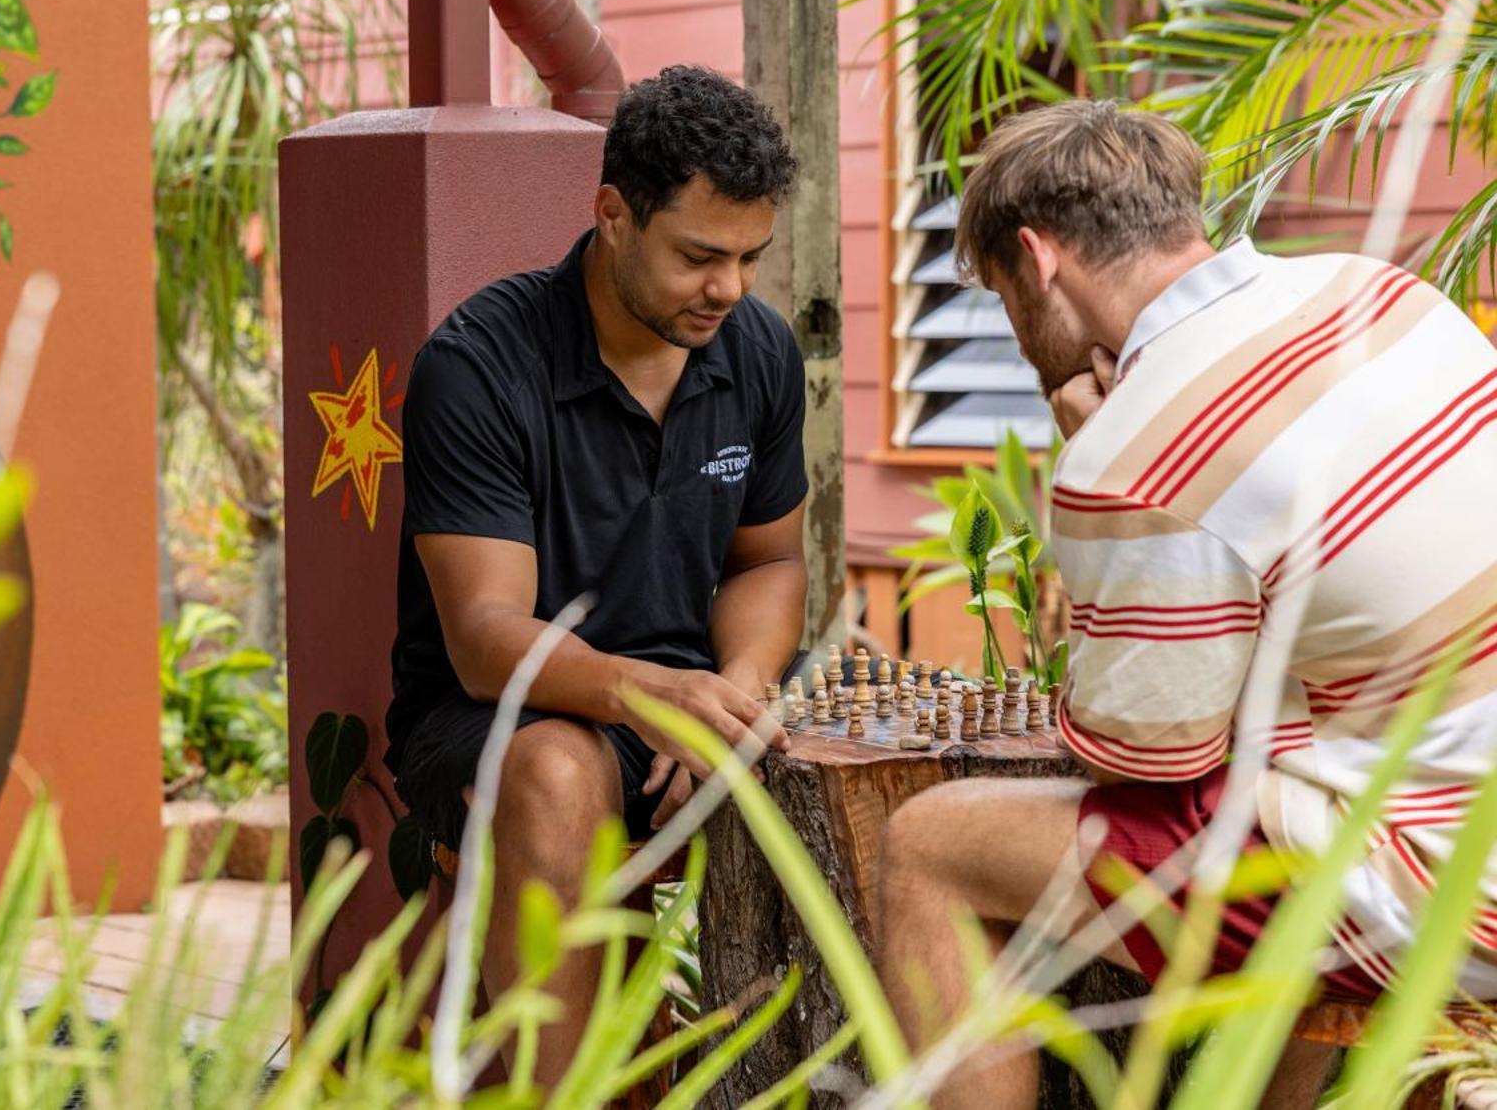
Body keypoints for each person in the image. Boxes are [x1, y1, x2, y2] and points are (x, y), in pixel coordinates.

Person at [878, 99, 1497, 1110]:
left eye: (999, 298)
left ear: (1035, 259)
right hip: (1447, 801)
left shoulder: (1135, 453)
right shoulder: (1379, 292)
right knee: (1283, 766)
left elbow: (1145, 760)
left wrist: (1092, 446)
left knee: (929, 846)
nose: (1013, 329)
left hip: (1449, 891)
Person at [385, 64, 808, 1082]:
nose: (730, 289)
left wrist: (734, 696)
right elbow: (486, 638)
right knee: (558, 767)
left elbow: (771, 559)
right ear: (613, 215)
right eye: (699, 256)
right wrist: (658, 698)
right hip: (496, 715)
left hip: (684, 703)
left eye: (750, 256)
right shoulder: (479, 363)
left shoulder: (756, 352)